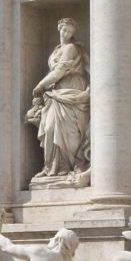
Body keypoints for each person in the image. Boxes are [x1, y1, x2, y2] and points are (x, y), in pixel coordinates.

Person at [26, 18, 90, 184]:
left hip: (71, 90)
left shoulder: (71, 48)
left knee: (68, 132)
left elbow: (61, 70)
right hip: (56, 93)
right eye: (64, 30)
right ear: (59, 30)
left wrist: (41, 84)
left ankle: (66, 166)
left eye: (69, 31)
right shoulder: (55, 51)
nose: (66, 33)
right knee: (49, 128)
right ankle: (52, 167)